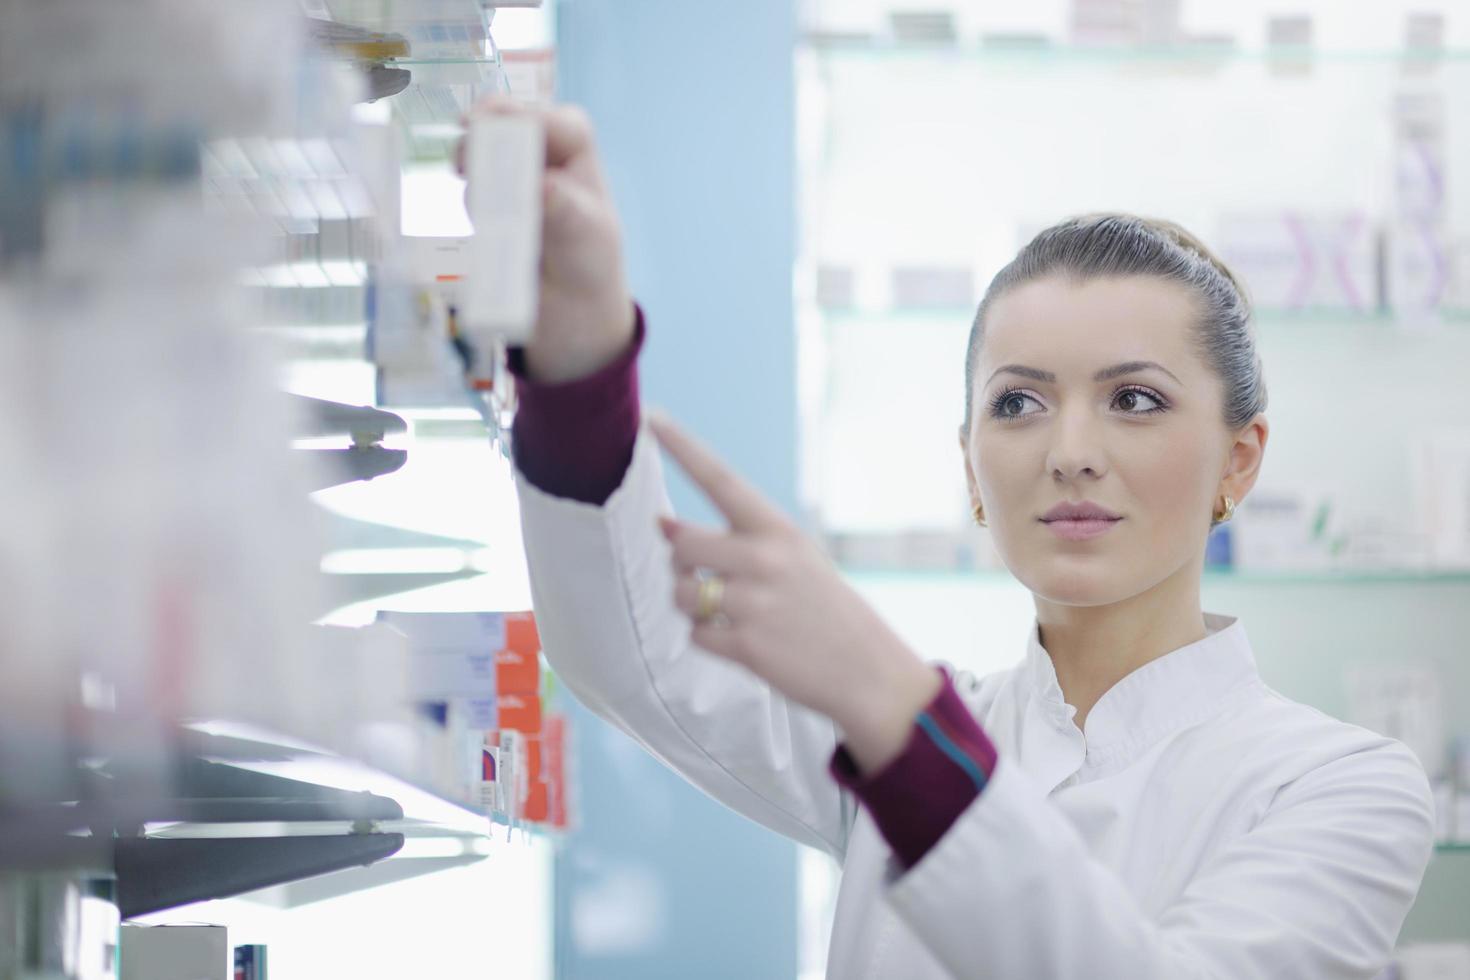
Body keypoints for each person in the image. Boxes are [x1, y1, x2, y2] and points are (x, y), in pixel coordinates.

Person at [462, 98, 1437, 979]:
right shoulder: (904, 730)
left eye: (1134, 399)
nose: (1071, 452)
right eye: (1018, 402)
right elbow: (634, 655)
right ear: (971, 467)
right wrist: (578, 350)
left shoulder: (1341, 783)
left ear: (1240, 461)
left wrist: (890, 701)